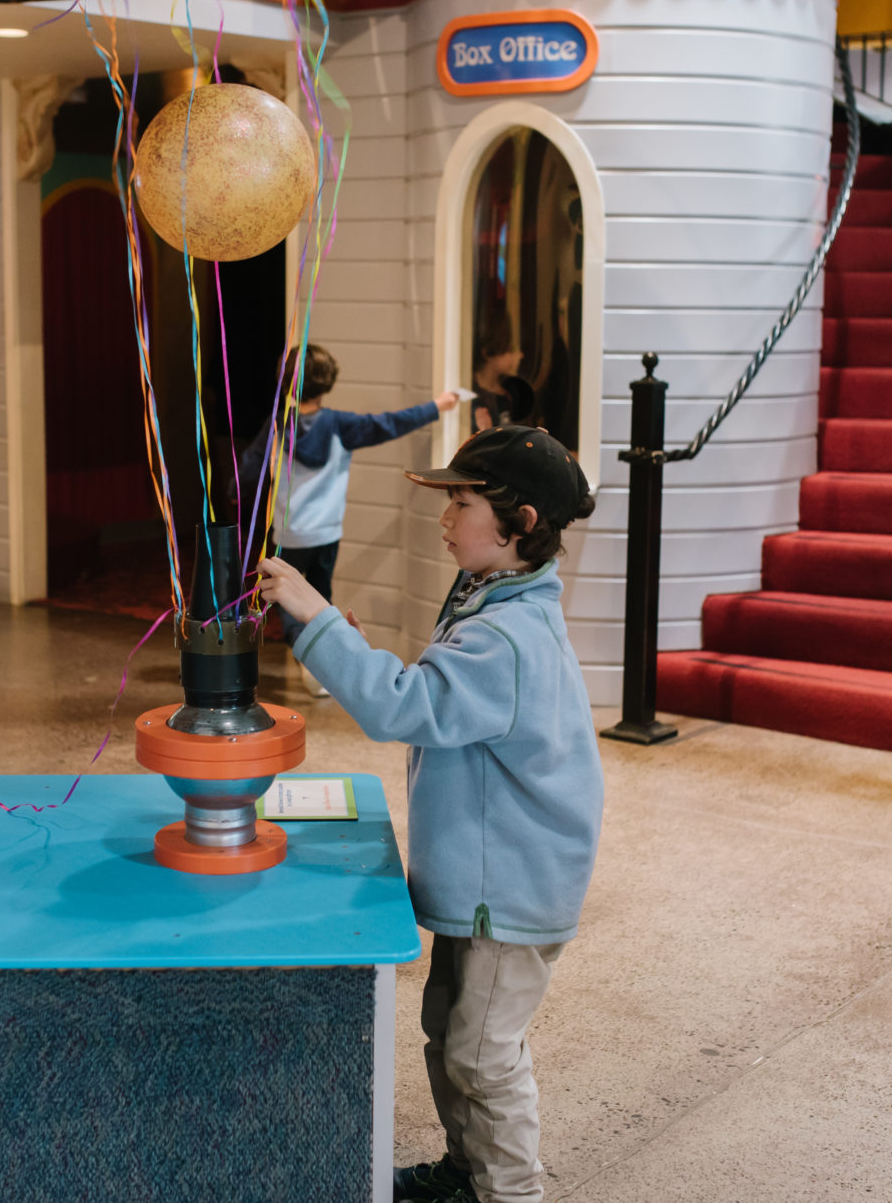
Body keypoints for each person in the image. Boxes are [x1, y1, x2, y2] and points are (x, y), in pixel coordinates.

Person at [257, 425, 603, 1203]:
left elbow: (398, 704)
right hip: (486, 877)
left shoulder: (507, 637)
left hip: (510, 891)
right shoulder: (494, 594)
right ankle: (465, 1170)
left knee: (483, 1056)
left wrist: (315, 613)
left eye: (462, 502)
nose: (445, 519)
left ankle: (510, 1191)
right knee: (449, 1029)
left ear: (519, 523)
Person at [241, 343, 460, 657]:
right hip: (327, 534)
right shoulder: (340, 426)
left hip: (289, 535)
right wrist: (437, 406)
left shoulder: (278, 424)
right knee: (321, 598)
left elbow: (250, 468)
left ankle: (307, 654)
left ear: (285, 382)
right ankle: (325, 659)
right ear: (328, 380)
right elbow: (390, 423)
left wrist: (235, 493)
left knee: (284, 598)